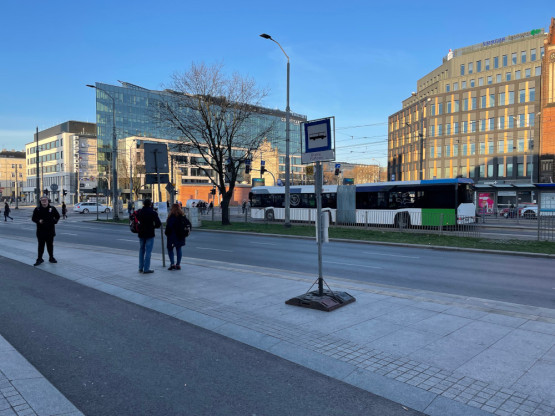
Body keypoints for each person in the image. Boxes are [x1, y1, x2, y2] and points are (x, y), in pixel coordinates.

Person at [32, 196, 60, 266]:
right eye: (42, 200)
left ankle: (51, 258)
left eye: (45, 200)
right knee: (41, 246)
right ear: (40, 202)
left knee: (50, 245)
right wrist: (38, 221)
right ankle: (39, 259)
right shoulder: (37, 209)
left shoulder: (52, 208)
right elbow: (33, 218)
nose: (44, 201)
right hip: (40, 231)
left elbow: (58, 216)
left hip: (50, 231)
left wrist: (54, 221)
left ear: (48, 201)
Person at [137, 198, 161, 274]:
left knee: (141, 250)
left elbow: (137, 219)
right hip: (150, 233)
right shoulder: (153, 213)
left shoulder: (140, 212)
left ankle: (140, 267)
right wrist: (153, 226)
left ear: (143, 204)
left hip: (141, 233)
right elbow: (158, 224)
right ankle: (146, 268)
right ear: (150, 204)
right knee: (148, 251)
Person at [165, 203, 191, 271]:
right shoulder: (182, 216)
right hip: (180, 236)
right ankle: (178, 264)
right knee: (179, 249)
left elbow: (168, 227)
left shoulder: (171, 217)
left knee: (170, 249)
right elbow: (188, 224)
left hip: (172, 236)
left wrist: (166, 233)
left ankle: (172, 264)